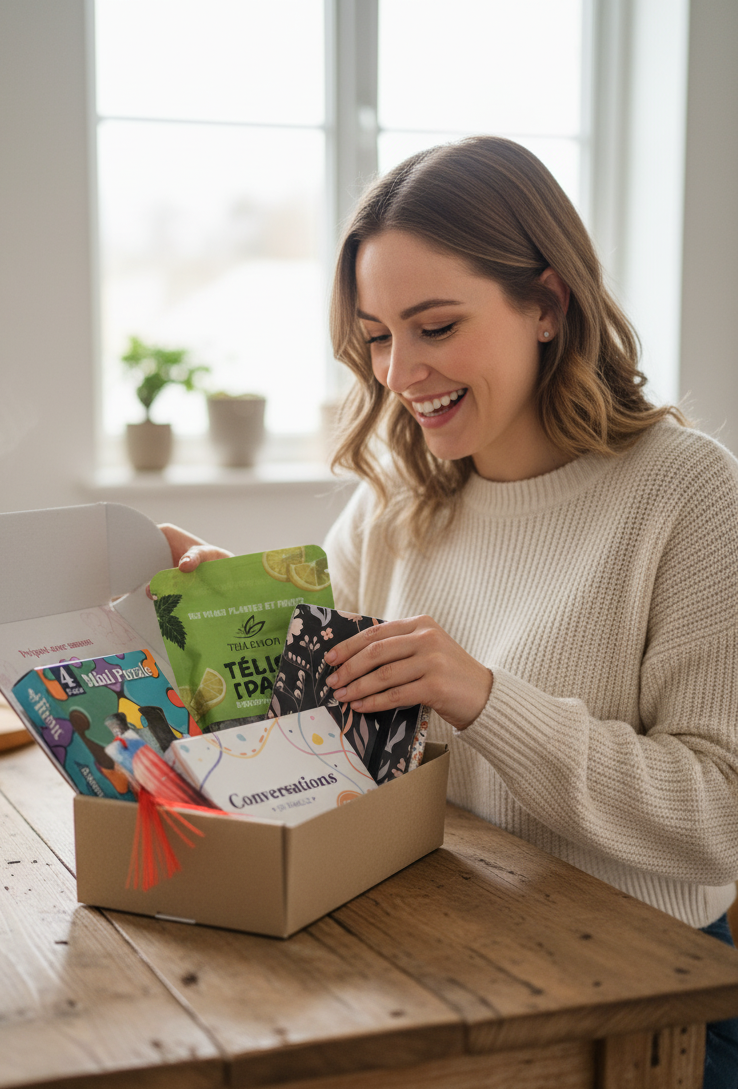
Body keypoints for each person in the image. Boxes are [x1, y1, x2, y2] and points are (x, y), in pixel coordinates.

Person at [161, 136, 738, 1088]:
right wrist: (252, 623)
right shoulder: (398, 496)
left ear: (546, 306)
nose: (396, 372)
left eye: (434, 326)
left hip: (644, 996)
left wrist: (484, 699)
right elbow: (324, 743)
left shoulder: (688, 495)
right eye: (378, 334)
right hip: (444, 952)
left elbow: (718, 819)